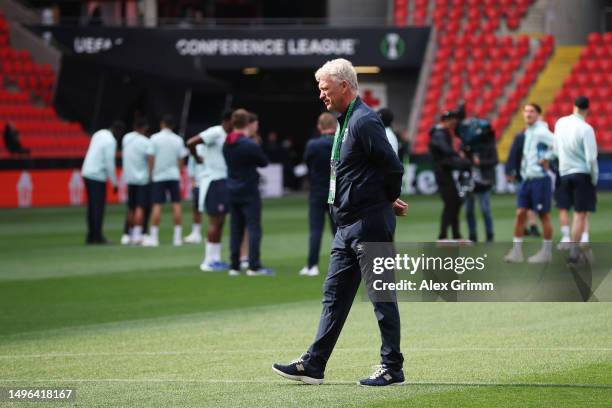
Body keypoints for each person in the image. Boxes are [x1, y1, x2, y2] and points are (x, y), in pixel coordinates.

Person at [273, 58, 407, 386]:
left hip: (368, 223)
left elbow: (392, 167)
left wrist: (385, 201)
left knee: (381, 295)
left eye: (324, 88)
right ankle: (314, 364)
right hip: (346, 226)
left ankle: (392, 367)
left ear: (344, 86)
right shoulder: (346, 120)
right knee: (333, 295)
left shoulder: (363, 121)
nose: (321, 95)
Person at [223, 109, 272, 276]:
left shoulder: (226, 143)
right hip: (249, 190)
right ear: (247, 123)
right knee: (253, 228)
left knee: (235, 228)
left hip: (231, 189)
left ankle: (234, 265)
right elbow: (263, 162)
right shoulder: (249, 144)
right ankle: (254, 266)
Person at [504, 103, 555, 263]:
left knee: (543, 215)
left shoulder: (541, 131)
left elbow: (559, 145)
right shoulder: (528, 132)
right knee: (520, 214)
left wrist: (548, 157)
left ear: (538, 115)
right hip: (527, 179)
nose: (527, 114)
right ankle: (517, 251)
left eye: (531, 111)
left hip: (540, 179)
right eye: (526, 111)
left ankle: (546, 252)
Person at [186, 109, 234, 271]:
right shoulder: (216, 131)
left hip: (222, 179)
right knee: (215, 220)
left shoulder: (226, 135)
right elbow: (191, 142)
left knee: (220, 221)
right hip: (214, 180)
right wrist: (196, 158)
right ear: (228, 121)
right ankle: (207, 261)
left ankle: (216, 258)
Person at [553, 96, 598, 262]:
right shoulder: (586, 129)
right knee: (580, 214)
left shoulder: (560, 123)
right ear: (588, 109)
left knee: (565, 209)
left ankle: (574, 248)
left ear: (574, 106)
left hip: (564, 172)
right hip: (581, 174)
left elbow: (556, 149)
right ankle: (574, 251)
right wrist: (594, 177)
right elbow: (591, 158)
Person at [298, 112, 338, 277]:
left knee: (315, 230)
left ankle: (311, 265)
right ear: (335, 126)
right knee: (338, 231)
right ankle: (342, 265)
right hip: (336, 191)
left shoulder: (312, 145)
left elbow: (307, 163)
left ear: (319, 126)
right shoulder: (339, 142)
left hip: (316, 191)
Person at [142, 115, 188, 247]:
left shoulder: (154, 138)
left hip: (159, 176)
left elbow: (151, 157)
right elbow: (181, 159)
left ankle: (154, 238)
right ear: (173, 126)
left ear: (162, 124)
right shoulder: (178, 140)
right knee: (176, 205)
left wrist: (150, 174)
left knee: (157, 205)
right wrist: (178, 172)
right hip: (173, 175)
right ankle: (177, 238)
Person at [429, 110, 470, 240]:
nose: (454, 123)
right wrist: (459, 156)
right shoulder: (439, 134)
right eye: (453, 120)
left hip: (446, 172)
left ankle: (451, 235)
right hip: (443, 174)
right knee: (452, 203)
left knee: (453, 204)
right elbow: (445, 150)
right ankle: (447, 236)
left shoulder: (441, 133)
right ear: (447, 120)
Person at [457, 112, 498, 242]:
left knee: (485, 210)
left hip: (484, 181)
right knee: (469, 211)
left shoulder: (489, 145)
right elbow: (462, 163)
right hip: (469, 181)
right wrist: (467, 159)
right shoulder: (467, 146)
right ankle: (472, 236)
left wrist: (481, 163)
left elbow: (494, 161)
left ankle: (489, 236)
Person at [81, 121, 124, 244]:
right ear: (117, 132)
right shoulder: (111, 141)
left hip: (87, 172)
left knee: (91, 207)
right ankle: (97, 237)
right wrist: (115, 183)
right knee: (98, 208)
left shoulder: (99, 133)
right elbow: (109, 163)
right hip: (97, 175)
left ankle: (91, 236)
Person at [121, 117, 151, 245]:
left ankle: (128, 234)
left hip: (129, 177)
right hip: (142, 179)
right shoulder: (146, 142)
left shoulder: (126, 138)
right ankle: (138, 235)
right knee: (140, 207)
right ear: (144, 128)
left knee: (131, 207)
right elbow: (150, 159)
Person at [505, 130, 541, 237]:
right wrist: (509, 171)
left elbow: (512, 155)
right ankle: (531, 226)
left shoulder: (521, 137)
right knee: (528, 203)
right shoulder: (523, 138)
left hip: (527, 175)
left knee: (524, 203)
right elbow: (513, 155)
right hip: (525, 175)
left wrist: (509, 171)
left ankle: (524, 226)